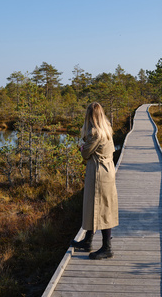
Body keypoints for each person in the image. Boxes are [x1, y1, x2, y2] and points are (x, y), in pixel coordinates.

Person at [71, 102, 119, 260]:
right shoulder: (106, 127)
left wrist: (82, 149)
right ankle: (88, 241)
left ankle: (107, 248)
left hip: (99, 173)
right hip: (105, 170)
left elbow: (85, 155)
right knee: (95, 205)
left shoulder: (95, 133)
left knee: (103, 208)